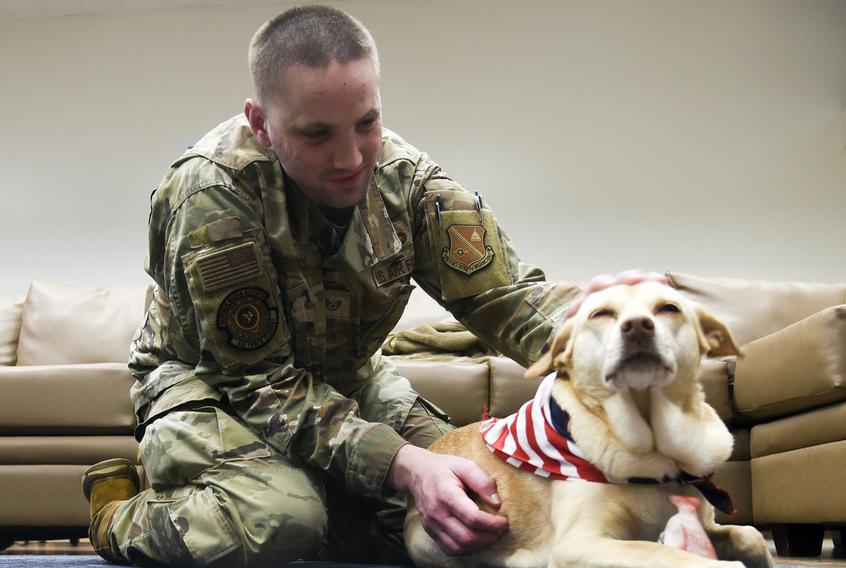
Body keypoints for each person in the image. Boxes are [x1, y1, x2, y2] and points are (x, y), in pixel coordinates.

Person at [80, 5, 665, 566]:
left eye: (367, 123)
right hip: (211, 384)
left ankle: (329, 509)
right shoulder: (211, 196)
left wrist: (612, 324)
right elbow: (260, 385)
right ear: (260, 122)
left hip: (348, 376)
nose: (350, 157)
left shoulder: (407, 182)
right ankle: (118, 513)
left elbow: (508, 299)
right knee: (279, 517)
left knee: (482, 503)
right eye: (315, 134)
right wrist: (405, 467)